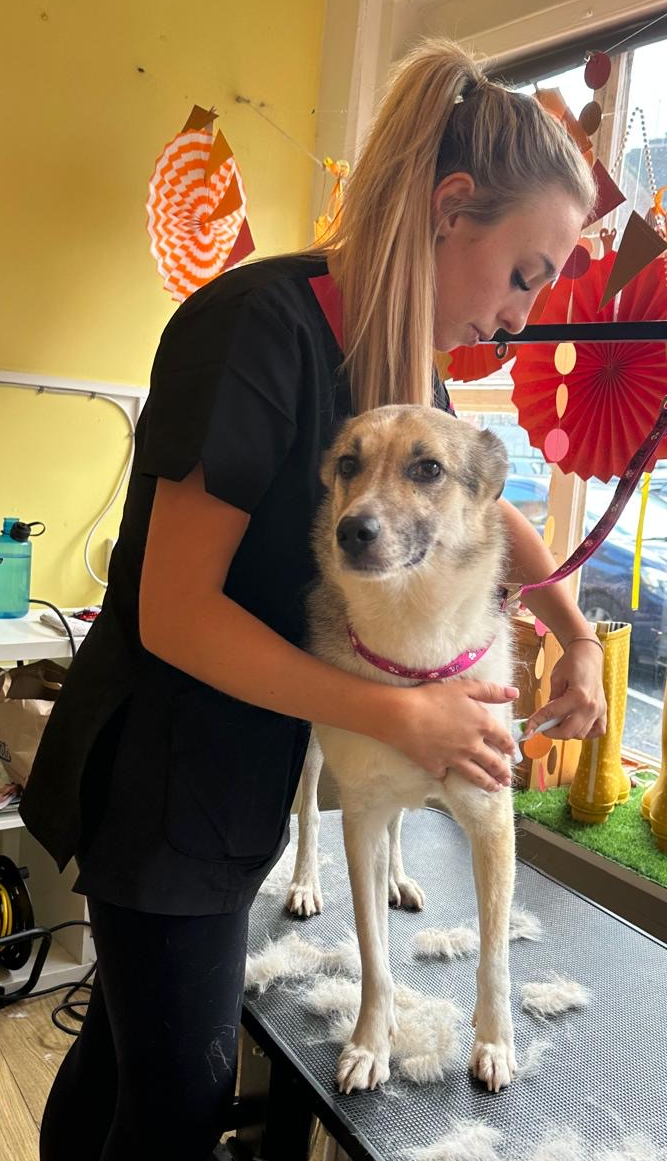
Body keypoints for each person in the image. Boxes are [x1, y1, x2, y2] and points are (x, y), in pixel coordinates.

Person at [21, 37, 606, 1161]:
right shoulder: (253, 328)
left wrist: (572, 629)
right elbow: (175, 614)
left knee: (121, 1058)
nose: (523, 315)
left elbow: (480, 507)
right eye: (525, 274)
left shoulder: (395, 361)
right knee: (179, 1098)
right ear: (451, 210)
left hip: (244, 766)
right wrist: (405, 715)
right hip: (163, 775)